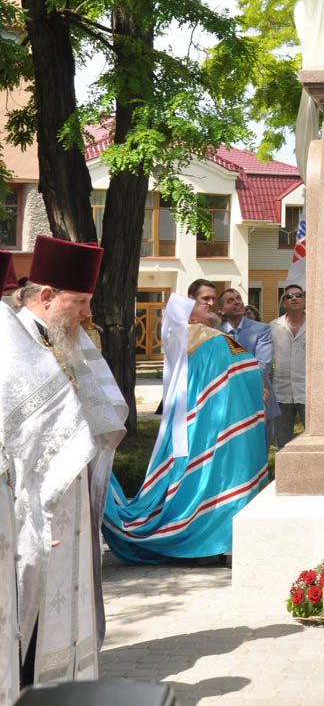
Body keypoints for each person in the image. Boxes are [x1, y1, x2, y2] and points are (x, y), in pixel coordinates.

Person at [1, 236, 127, 696]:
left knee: (63, 609)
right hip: (26, 513)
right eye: (80, 303)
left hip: (69, 512)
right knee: (24, 613)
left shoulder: (67, 342)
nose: (86, 315)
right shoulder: (9, 345)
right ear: (47, 296)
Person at [103, 291, 268, 563]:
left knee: (207, 478)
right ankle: (207, 541)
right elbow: (235, 370)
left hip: (213, 420)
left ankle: (208, 540)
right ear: (191, 318)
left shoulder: (199, 340)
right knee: (216, 478)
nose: (210, 306)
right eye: (203, 304)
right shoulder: (206, 339)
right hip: (218, 424)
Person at [219, 287, 281, 446]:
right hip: (226, 406)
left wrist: (237, 386)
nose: (237, 302)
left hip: (259, 401)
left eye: (238, 298)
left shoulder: (261, 330)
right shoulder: (216, 333)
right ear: (222, 310)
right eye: (230, 300)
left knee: (259, 455)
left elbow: (263, 364)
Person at [272, 282, 307, 450]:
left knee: (314, 440)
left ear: (304, 299)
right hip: (281, 392)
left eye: (298, 295)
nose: (294, 298)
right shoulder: (273, 327)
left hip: (308, 392)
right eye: (289, 296)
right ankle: (283, 476)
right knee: (283, 443)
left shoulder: (316, 325)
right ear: (284, 302)